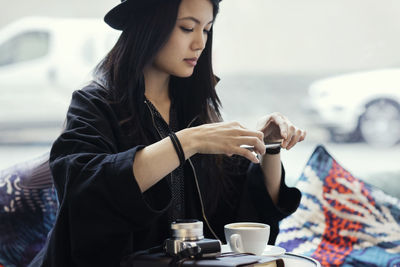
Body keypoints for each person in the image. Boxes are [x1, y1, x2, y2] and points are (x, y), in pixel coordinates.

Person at [29, 0, 306, 266]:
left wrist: (270, 148)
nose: (200, 43)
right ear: (148, 24)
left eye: (206, 29)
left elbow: (238, 209)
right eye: (187, 28)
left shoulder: (195, 108)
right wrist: (186, 142)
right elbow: (84, 192)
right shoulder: (95, 104)